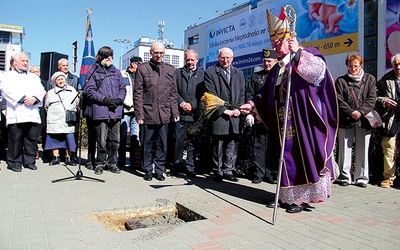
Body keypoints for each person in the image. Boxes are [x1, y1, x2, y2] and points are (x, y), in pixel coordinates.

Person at [241, 7, 338, 213]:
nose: (275, 48)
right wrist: (252, 104)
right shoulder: (277, 68)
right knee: (284, 157)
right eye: (273, 44)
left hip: (303, 119)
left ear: (289, 40)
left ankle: (300, 199)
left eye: (278, 43)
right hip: (281, 119)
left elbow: (319, 74)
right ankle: (285, 196)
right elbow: (266, 94)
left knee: (301, 156)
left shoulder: (307, 54)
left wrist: (298, 55)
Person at [133, 42, 179, 181]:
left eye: (161, 53)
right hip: (147, 113)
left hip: (164, 114)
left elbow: (173, 93)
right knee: (146, 144)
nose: (159, 55)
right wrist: (139, 114)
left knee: (162, 144)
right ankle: (147, 169)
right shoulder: (143, 69)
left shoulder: (170, 70)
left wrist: (175, 113)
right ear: (151, 53)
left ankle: (159, 170)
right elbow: (138, 93)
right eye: (156, 52)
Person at [335, 54, 376, 188]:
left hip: (364, 120)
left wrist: (361, 111)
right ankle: (344, 176)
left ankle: (361, 177)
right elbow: (339, 100)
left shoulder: (370, 79)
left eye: (356, 66)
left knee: (362, 148)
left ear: (361, 65)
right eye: (350, 66)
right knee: (344, 149)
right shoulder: (341, 81)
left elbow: (371, 99)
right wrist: (350, 112)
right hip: (346, 119)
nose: (353, 69)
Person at [83, 46, 126, 175]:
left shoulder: (116, 72)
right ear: (101, 57)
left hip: (115, 111)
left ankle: (112, 163)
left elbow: (123, 88)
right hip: (100, 110)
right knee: (101, 140)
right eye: (107, 56)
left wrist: (118, 100)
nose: (109, 58)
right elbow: (89, 91)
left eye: (111, 56)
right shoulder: (93, 71)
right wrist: (105, 100)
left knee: (115, 140)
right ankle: (99, 163)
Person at [204, 47, 245, 182]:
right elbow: (211, 94)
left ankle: (229, 170)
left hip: (234, 115)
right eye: (223, 57)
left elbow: (241, 93)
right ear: (218, 58)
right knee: (218, 145)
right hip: (219, 115)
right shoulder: (211, 73)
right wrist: (223, 110)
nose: (225, 60)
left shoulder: (238, 73)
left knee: (232, 144)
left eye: (228, 58)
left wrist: (238, 109)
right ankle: (218, 171)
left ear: (232, 58)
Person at [1, 52, 46, 172]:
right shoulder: (7, 75)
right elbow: (5, 90)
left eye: (26, 61)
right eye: (23, 61)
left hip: (31, 112)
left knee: (31, 139)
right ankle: (14, 162)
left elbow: (41, 90)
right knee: (15, 139)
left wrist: (35, 99)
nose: (25, 63)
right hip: (17, 112)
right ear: (15, 62)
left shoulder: (33, 77)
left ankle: (29, 161)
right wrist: (22, 99)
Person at [169, 49, 205, 177]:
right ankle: (176, 166)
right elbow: (173, 91)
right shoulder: (177, 73)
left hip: (194, 115)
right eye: (187, 59)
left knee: (192, 142)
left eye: (192, 59)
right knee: (178, 141)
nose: (190, 62)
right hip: (180, 113)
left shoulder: (202, 75)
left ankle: (190, 167)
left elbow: (203, 94)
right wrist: (182, 103)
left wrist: (192, 105)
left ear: (197, 59)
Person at [245, 48, 278, 184]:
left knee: (272, 146)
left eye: (269, 61)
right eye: (264, 61)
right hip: (259, 117)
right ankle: (259, 173)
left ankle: (271, 173)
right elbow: (250, 94)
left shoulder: (280, 75)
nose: (267, 63)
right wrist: (251, 113)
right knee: (258, 146)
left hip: (274, 117)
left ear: (276, 61)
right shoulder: (256, 76)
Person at [44, 72, 79, 165]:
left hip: (68, 119)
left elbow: (77, 103)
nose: (60, 81)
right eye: (58, 80)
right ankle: (56, 157)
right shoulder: (51, 93)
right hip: (55, 119)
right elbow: (46, 105)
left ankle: (69, 158)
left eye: (62, 79)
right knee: (54, 138)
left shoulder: (72, 90)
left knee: (69, 139)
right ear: (55, 81)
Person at [376, 53, 400, 188]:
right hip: (392, 118)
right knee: (389, 147)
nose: (398, 66)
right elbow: (375, 96)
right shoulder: (386, 79)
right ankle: (388, 177)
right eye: (396, 64)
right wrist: (385, 101)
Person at [117, 56, 142, 169]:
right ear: (132, 64)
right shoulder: (122, 74)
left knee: (135, 137)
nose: (140, 66)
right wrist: (126, 103)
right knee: (122, 137)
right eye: (138, 64)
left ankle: (134, 162)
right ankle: (121, 162)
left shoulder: (140, 75)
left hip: (136, 111)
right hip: (125, 110)